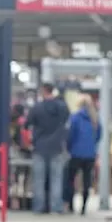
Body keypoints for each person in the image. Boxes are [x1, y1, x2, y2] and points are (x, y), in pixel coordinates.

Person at [25, 83, 69, 214]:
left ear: (43, 91)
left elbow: (27, 124)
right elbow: (66, 121)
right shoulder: (62, 107)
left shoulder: (37, 108)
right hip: (57, 146)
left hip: (40, 146)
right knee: (57, 179)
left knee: (39, 180)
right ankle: (56, 207)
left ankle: (39, 207)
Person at [66, 94, 101, 215]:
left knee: (71, 179)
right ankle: (84, 207)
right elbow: (98, 136)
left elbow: (70, 135)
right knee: (87, 181)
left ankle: (71, 205)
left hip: (75, 153)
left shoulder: (75, 117)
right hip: (90, 154)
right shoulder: (95, 119)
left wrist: (69, 147)